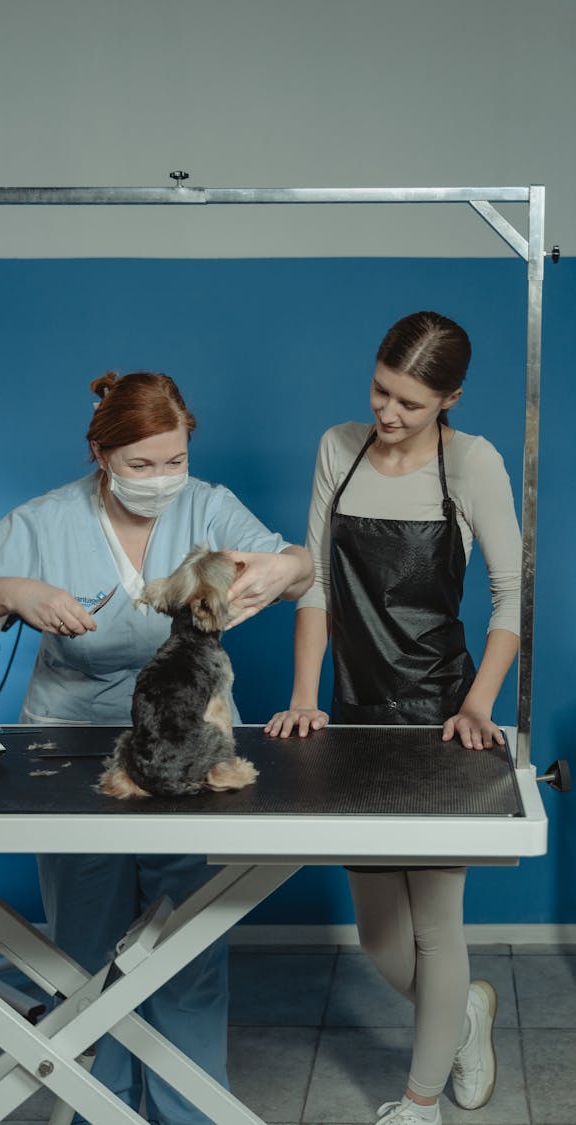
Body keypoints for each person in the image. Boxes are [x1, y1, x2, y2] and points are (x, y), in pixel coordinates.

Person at [0, 369, 313, 1125]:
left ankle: (187, 1115)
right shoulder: (47, 520)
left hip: (192, 754)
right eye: (142, 464)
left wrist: (284, 567)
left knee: (187, 957)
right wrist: (13, 592)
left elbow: (299, 566)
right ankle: (96, 1109)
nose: (162, 479)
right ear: (100, 454)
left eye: (174, 460)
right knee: (84, 961)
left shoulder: (210, 507)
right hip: (77, 755)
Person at [265, 311, 521, 1125]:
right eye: (381, 389)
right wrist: (307, 697)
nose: (388, 413)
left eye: (410, 402)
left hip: (444, 716)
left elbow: (511, 598)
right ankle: (466, 1013)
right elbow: (314, 585)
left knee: (437, 927)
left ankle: (419, 1102)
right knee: (381, 941)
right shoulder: (337, 448)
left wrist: (478, 704)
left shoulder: (474, 462)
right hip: (354, 716)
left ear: (450, 399)